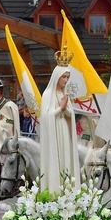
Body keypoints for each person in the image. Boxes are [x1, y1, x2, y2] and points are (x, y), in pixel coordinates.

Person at [39, 61, 80, 191]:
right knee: (55, 158)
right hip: (53, 131)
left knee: (66, 156)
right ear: (56, 77)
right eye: (64, 77)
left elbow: (70, 113)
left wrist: (66, 109)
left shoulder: (63, 94)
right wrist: (60, 108)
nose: (66, 80)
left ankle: (67, 188)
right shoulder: (47, 94)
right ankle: (55, 189)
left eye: (67, 77)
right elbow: (45, 117)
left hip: (64, 130)